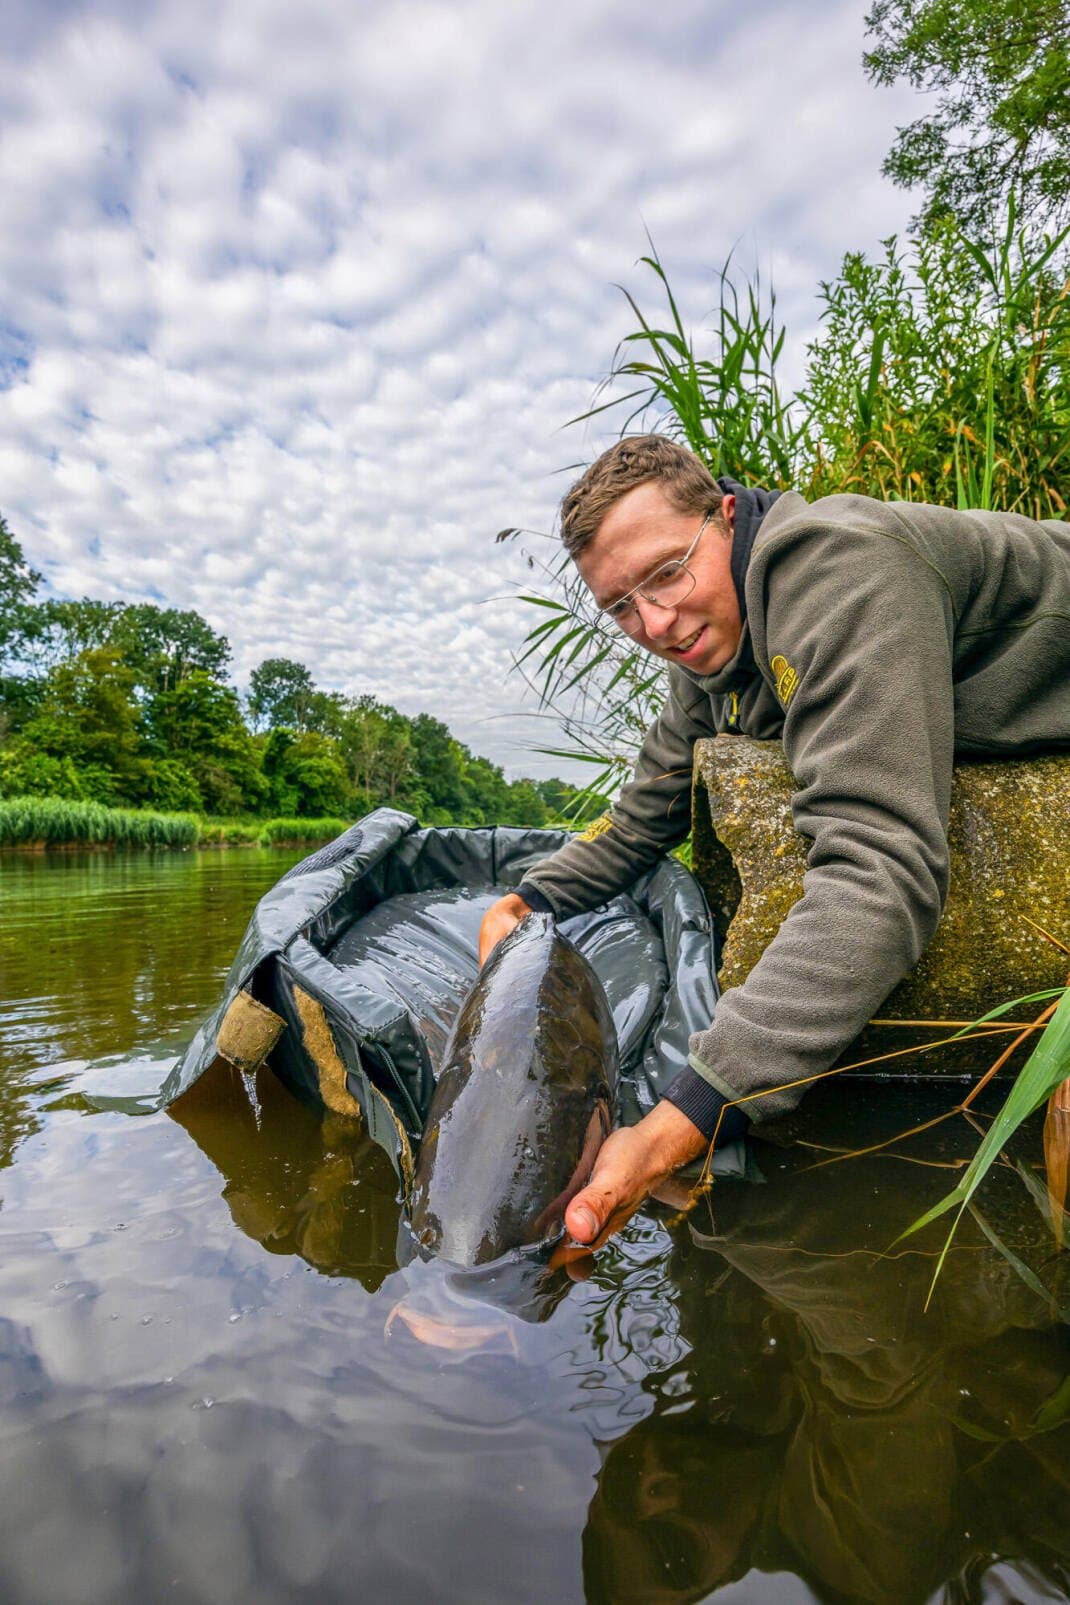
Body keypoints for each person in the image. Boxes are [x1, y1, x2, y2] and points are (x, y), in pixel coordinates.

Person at [478, 434, 1070, 1250]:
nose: (653, 623)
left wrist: (678, 1121)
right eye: (620, 606)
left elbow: (881, 878)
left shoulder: (841, 574)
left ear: (726, 517)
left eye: (665, 572)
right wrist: (526, 900)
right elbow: (642, 813)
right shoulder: (708, 654)